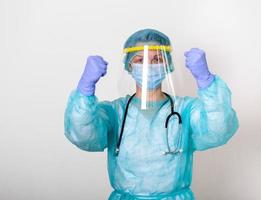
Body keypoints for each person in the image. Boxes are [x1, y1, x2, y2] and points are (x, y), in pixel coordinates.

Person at [64, 29, 239, 200]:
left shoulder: (185, 110)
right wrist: (85, 89)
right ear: (129, 66)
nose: (149, 66)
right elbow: (82, 134)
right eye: (140, 60)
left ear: (167, 65)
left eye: (156, 59)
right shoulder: (115, 112)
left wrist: (206, 81)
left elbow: (220, 128)